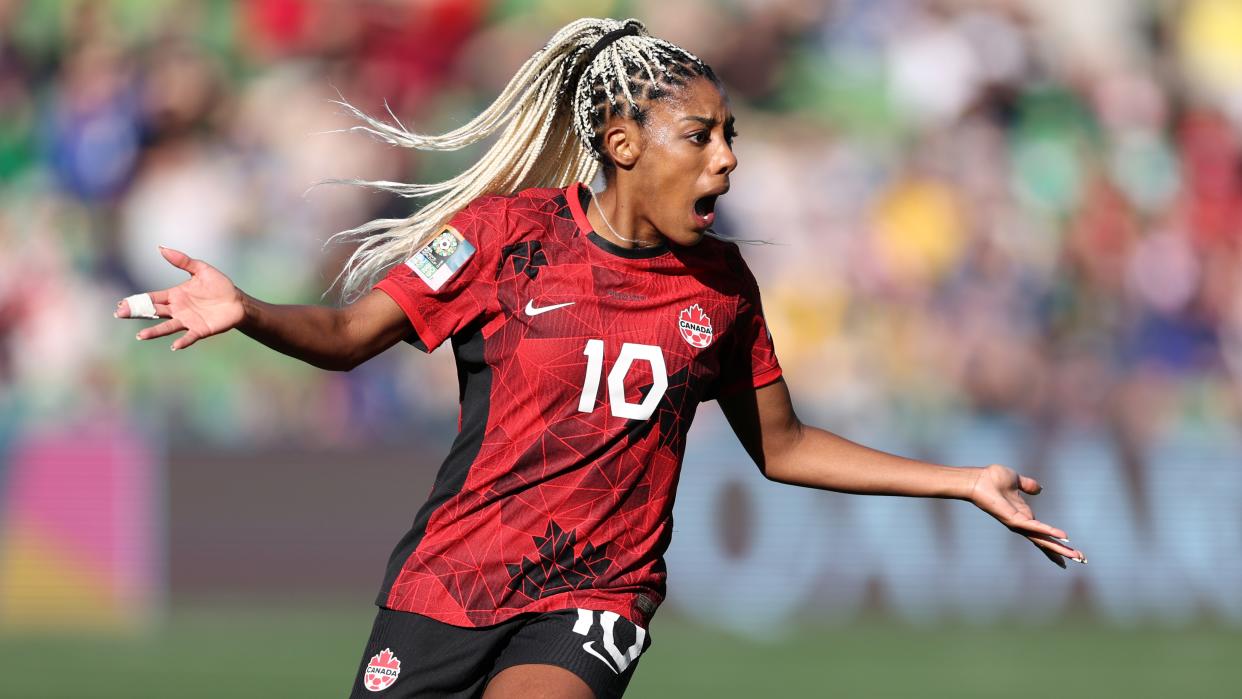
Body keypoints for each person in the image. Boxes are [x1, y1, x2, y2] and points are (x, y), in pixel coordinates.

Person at [114, 17, 1086, 699]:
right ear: (622, 142)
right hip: (451, 580)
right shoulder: (503, 236)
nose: (727, 160)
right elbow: (349, 339)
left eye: (731, 138)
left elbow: (782, 448)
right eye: (699, 137)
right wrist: (247, 310)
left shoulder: (721, 287)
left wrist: (960, 481)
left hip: (594, 594)